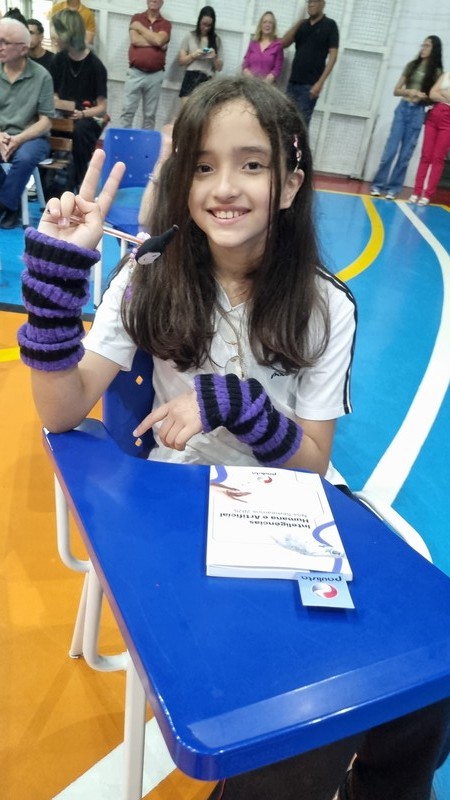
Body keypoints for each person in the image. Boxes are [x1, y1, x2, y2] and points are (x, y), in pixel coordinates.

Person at [17, 75, 450, 800]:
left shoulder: (325, 304)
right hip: (177, 505)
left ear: (291, 184)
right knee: (297, 744)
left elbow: (313, 463)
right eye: (204, 166)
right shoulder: (147, 275)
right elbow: (62, 413)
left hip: (288, 506)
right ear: (183, 182)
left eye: (252, 164)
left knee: (429, 679)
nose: (225, 187)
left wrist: (236, 404)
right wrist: (55, 292)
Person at [370, 36, 443, 200]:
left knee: (405, 155)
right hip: (403, 108)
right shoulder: (412, 65)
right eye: (422, 45)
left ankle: (394, 188)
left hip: (418, 111)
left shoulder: (436, 72)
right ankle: (378, 184)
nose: (423, 48)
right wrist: (409, 91)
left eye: (427, 46)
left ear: (434, 49)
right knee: (390, 150)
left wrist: (423, 96)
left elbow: (433, 97)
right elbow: (396, 90)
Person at [0, 17, 54, 229]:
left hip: (31, 137)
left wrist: (19, 139)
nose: (0, 47)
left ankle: (6, 205)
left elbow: (46, 121)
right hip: (1, 134)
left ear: (23, 49)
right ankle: (11, 204)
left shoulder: (42, 76)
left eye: (5, 42)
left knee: (25, 157)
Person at [50, 9, 107, 191]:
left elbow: (102, 107)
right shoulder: (58, 60)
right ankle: (50, 183)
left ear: (67, 34)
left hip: (85, 116)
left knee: (79, 131)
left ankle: (77, 182)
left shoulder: (96, 66)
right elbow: (53, 93)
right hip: (62, 114)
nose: (54, 38)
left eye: (57, 33)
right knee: (46, 127)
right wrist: (61, 106)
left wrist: (81, 114)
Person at [282, 0, 338, 127]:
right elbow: (283, 43)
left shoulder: (330, 25)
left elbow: (333, 56)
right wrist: (298, 22)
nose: (311, 4)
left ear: (323, 4)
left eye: (315, 1)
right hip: (293, 83)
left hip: (310, 86)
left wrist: (320, 83)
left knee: (301, 125)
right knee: (286, 122)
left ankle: (299, 142)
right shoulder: (302, 25)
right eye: (309, 2)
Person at [120, 0, 171, 130]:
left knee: (150, 116)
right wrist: (157, 43)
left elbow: (159, 40)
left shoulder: (165, 24)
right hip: (135, 72)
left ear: (162, 2)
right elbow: (135, 40)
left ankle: (146, 143)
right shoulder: (137, 18)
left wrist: (139, 28)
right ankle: (123, 141)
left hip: (155, 75)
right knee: (127, 111)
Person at [409, 69, 450, 205]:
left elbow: (437, 93)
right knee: (425, 156)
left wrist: (442, 93)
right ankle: (416, 192)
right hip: (434, 116)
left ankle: (427, 194)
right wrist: (445, 96)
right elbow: (432, 94)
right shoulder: (446, 74)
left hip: (448, 122)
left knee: (438, 158)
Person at [178, 5, 223, 102]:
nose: (206, 28)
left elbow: (219, 68)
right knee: (187, 109)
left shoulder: (216, 40)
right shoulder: (190, 36)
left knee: (202, 110)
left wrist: (214, 57)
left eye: (209, 25)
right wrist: (193, 55)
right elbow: (181, 61)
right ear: (199, 21)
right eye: (203, 24)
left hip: (207, 79)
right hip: (191, 76)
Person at [242, 10, 283, 84]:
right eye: (265, 22)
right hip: (249, 84)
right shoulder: (253, 43)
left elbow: (277, 69)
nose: (267, 25)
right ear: (260, 25)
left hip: (266, 86)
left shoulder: (278, 45)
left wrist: (264, 84)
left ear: (274, 26)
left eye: (270, 22)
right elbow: (245, 64)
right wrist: (252, 80)